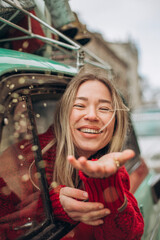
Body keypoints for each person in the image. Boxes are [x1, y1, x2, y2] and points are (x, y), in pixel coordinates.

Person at [0, 64, 144, 239]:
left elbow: (130, 235)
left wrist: (106, 183)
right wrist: (48, 207)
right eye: (80, 105)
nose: (91, 115)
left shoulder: (113, 168)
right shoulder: (23, 157)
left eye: (104, 108)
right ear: (64, 114)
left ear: (115, 124)